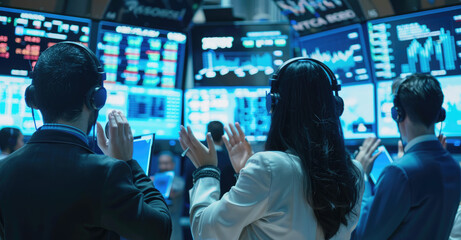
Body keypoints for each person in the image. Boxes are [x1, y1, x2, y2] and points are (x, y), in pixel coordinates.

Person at [0, 42, 171, 240]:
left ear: (33, 98)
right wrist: (129, 163)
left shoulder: (4, 171)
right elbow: (160, 229)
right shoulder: (105, 174)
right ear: (96, 98)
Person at [179, 57, 364, 239]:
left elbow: (207, 232)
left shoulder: (269, 167)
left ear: (274, 104)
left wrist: (206, 171)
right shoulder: (354, 172)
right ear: (336, 106)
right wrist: (245, 173)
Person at [352, 73, 461, 239]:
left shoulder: (400, 173)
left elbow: (361, 235)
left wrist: (361, 178)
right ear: (440, 114)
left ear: (398, 115)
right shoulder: (453, 167)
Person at [157, 151, 185, 240]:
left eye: (166, 163)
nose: (163, 167)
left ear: (173, 164)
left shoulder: (179, 182)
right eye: (160, 163)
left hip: (173, 231)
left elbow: (171, 192)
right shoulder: (152, 180)